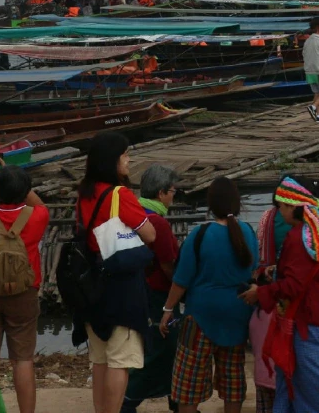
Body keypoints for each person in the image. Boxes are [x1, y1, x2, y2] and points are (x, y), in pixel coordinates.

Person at [239, 177, 319, 413]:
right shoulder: (311, 233)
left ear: (293, 207)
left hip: (306, 325)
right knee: (297, 387)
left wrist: (262, 293)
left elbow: (295, 285)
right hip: (309, 319)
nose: (279, 211)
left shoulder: (298, 238)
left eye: (281, 206)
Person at [75, 133, 158, 413]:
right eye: (125, 155)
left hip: (92, 283)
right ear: (113, 160)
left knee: (100, 359)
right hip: (121, 284)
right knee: (120, 361)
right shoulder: (119, 194)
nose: (129, 159)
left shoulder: (84, 193)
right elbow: (150, 233)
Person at [160, 177, 258, 413]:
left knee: (188, 385)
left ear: (211, 204)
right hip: (237, 315)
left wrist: (167, 311)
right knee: (233, 380)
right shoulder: (248, 232)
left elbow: (181, 281)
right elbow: (253, 271)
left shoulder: (200, 234)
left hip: (200, 319)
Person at [0, 164, 50, 413]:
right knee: (23, 359)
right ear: (26, 190)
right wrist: (23, 186)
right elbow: (39, 204)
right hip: (24, 294)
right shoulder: (37, 216)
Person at [124, 165, 183, 413]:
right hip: (159, 294)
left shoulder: (136, 212)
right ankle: (128, 400)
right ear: (161, 193)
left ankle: (175, 399)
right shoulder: (157, 222)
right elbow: (168, 266)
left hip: (137, 290)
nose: (173, 196)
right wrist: (181, 291)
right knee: (163, 348)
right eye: (172, 191)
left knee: (161, 348)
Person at [249, 179, 297, 413]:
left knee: (267, 361)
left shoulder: (267, 218)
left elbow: (260, 257)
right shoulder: (307, 229)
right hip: (288, 301)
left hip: (270, 298)